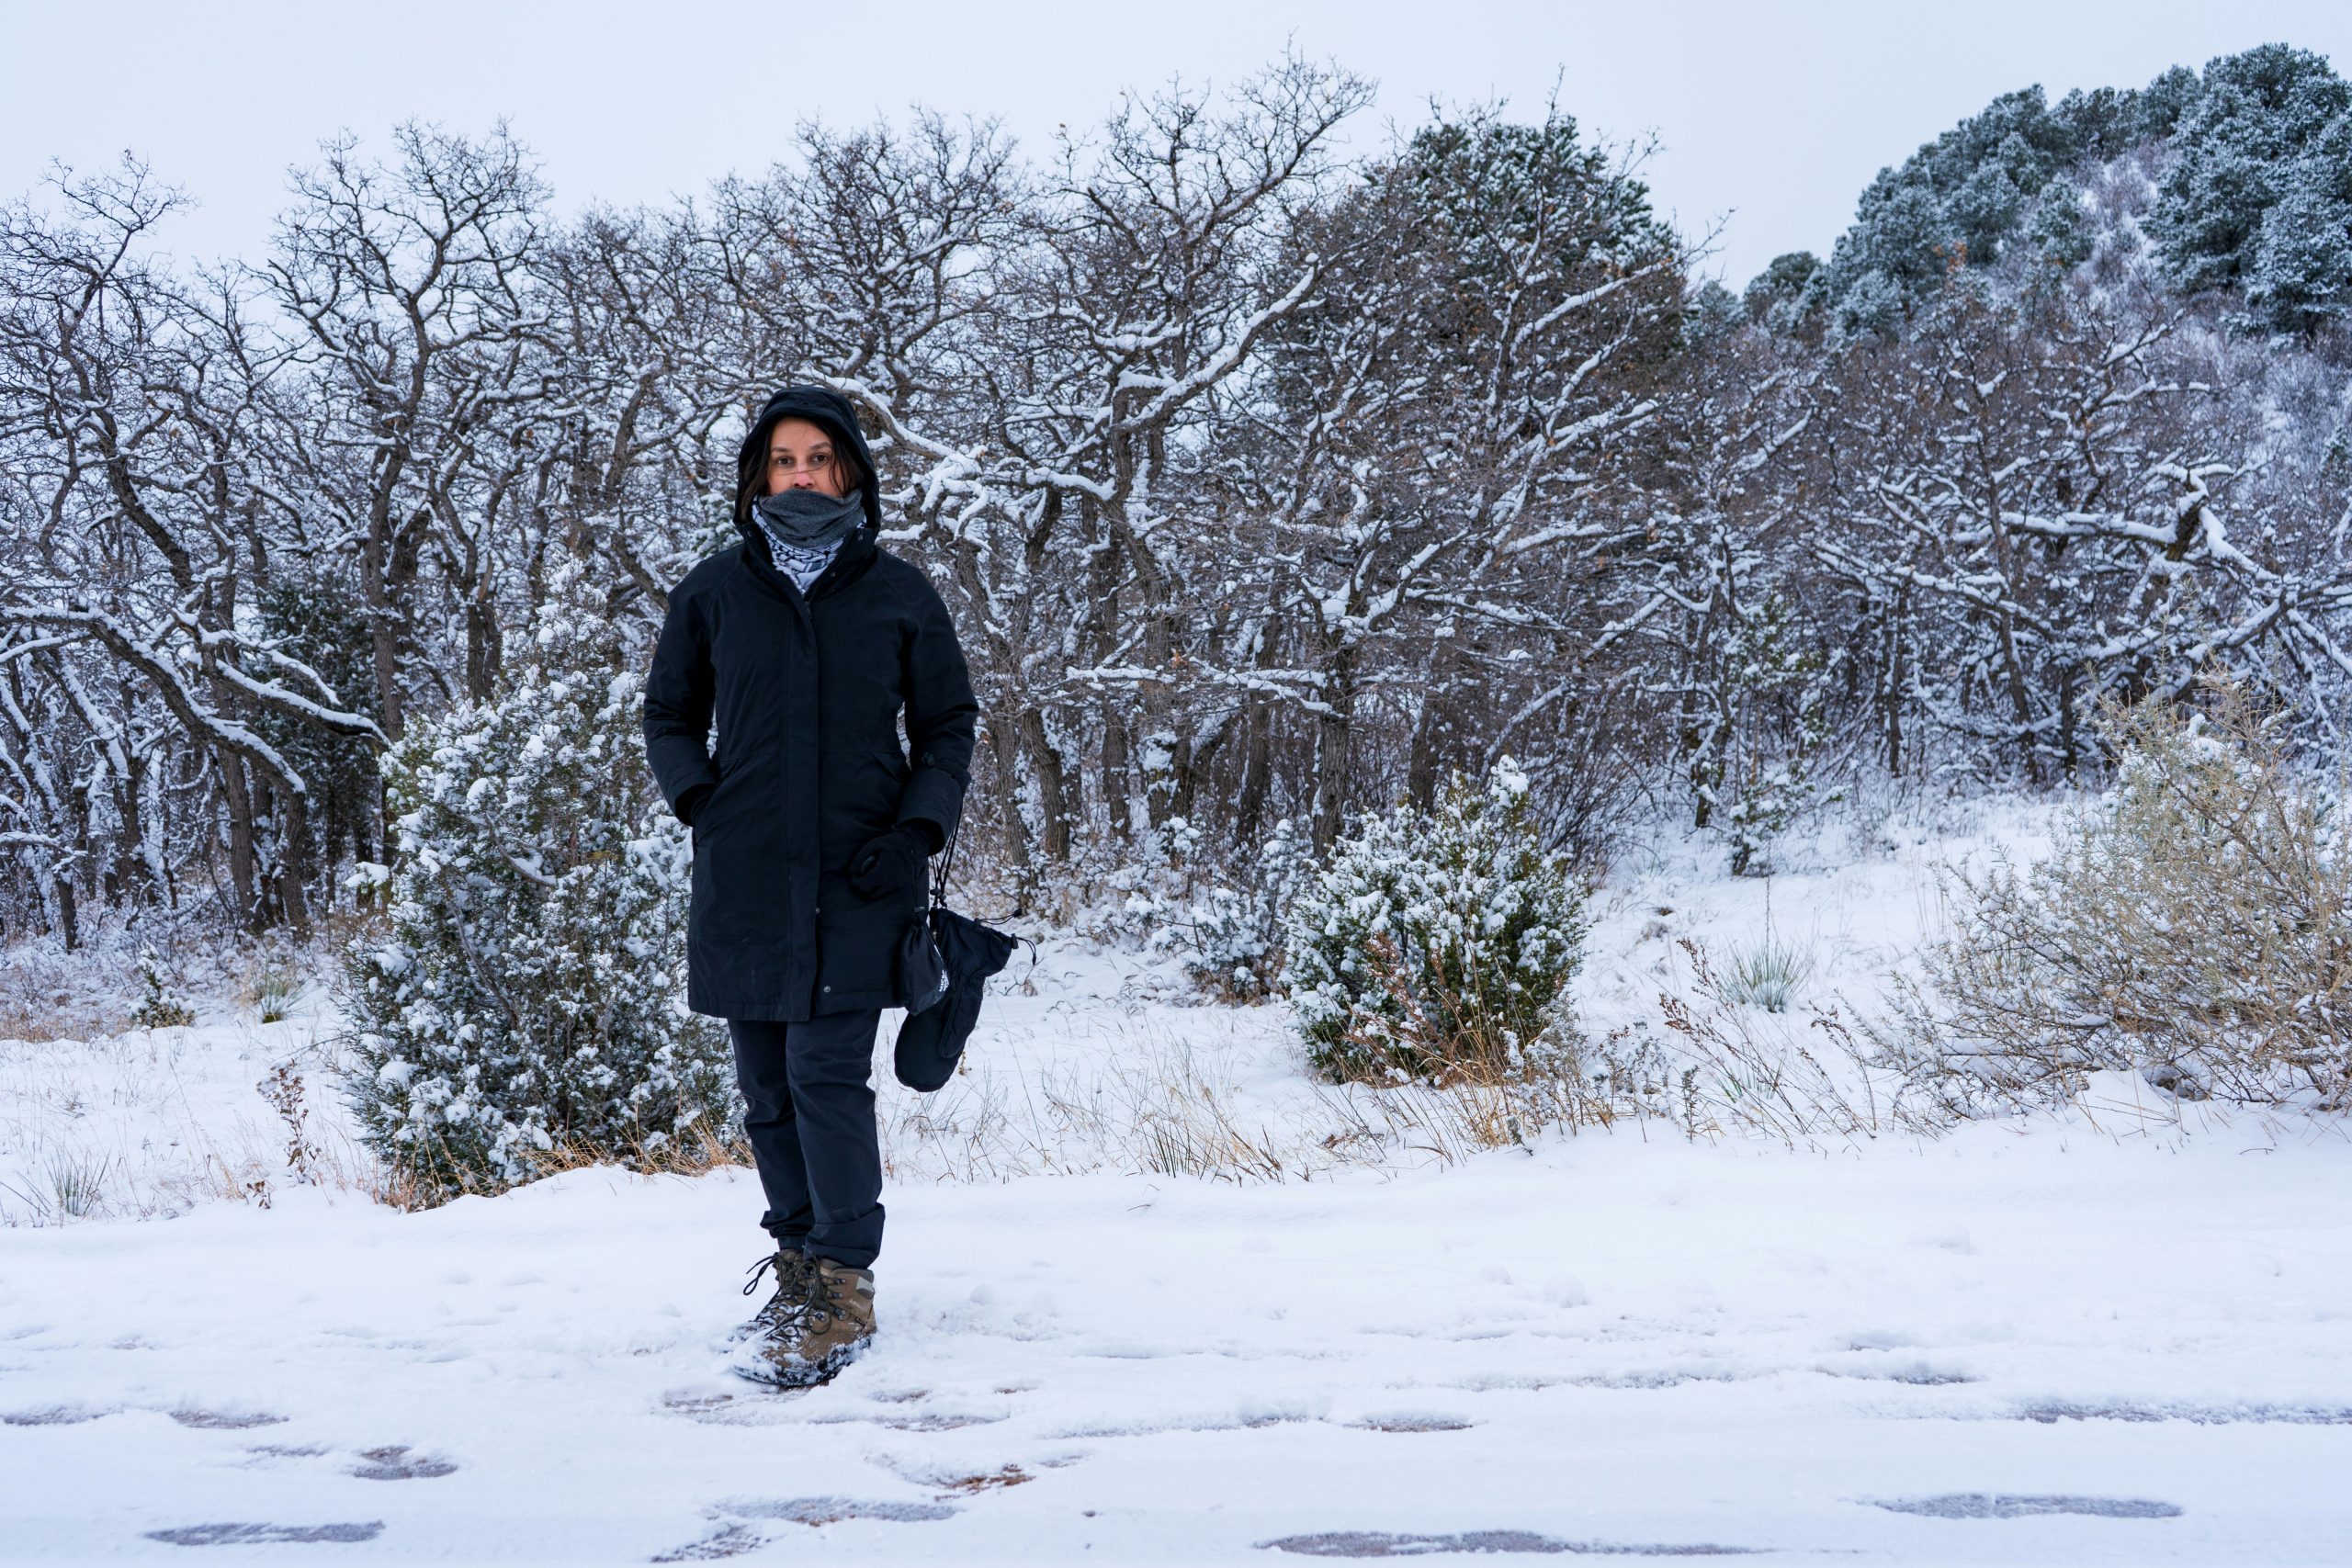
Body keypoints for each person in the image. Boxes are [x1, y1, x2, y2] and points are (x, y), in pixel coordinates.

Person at [641, 385, 978, 1387]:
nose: (801, 476)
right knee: (764, 1090)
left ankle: (843, 1285)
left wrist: (919, 826)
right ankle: (796, 1264)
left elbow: (949, 722)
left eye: (819, 460)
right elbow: (667, 716)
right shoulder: (712, 592)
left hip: (862, 874)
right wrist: (701, 801)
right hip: (743, 879)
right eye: (784, 461)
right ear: (757, 477)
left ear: (851, 474)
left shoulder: (897, 593)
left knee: (826, 1079)